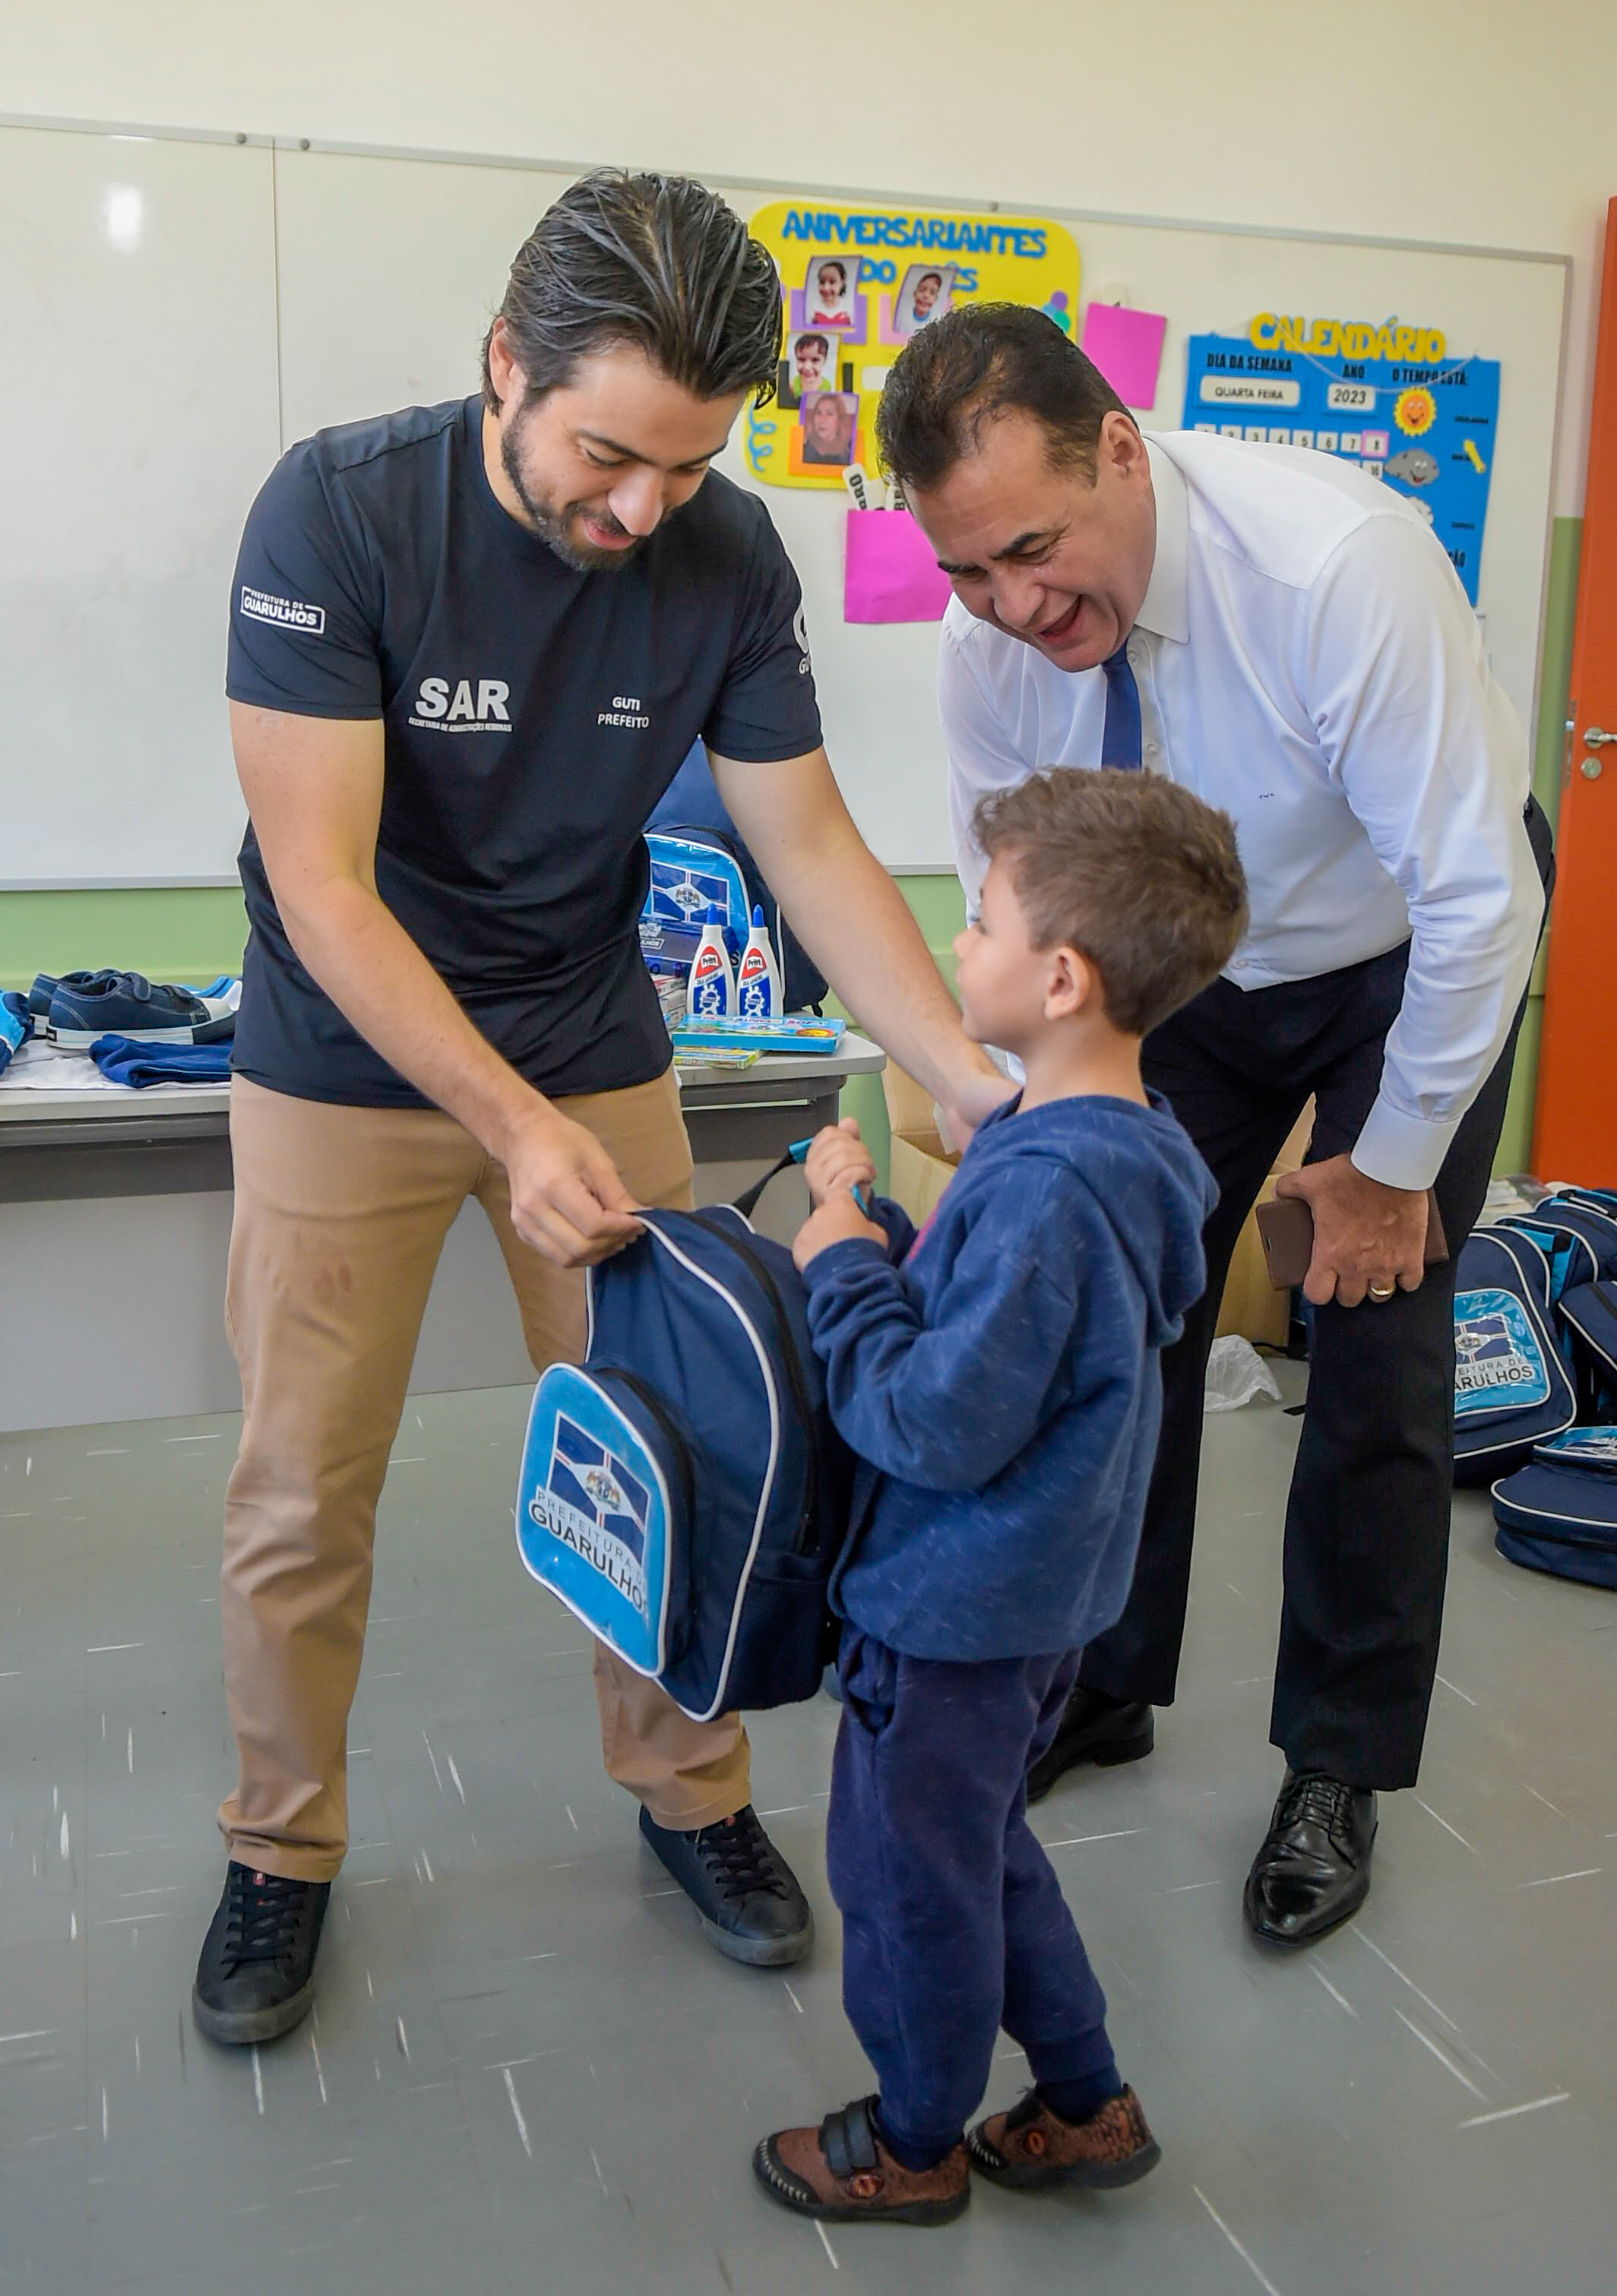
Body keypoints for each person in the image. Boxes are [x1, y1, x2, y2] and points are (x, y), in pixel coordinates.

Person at [191, 170, 1011, 2051]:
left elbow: (809, 843)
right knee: (302, 1489)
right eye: (608, 455)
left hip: (587, 1039)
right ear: (507, 363)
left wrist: (972, 1083)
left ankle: (692, 1795)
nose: (643, 510)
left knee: (683, 1440)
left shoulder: (725, 558)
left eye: (688, 464)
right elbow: (323, 888)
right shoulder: (340, 512)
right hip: (340, 1054)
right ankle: (280, 1845)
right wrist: (508, 1126)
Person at [877, 303, 1553, 1948]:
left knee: (1372, 1343)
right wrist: (1036, 1134)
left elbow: (1479, 901)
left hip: (1401, 950)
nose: (1013, 607)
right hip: (1180, 966)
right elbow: (1018, 904)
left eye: (1033, 550)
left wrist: (1386, 1171)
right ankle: (1100, 1679)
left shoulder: (1333, 570)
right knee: (1111, 1312)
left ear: (1119, 448)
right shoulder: (989, 654)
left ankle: (1335, 1761)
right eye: (966, 572)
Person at [752, 766, 1244, 2228]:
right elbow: (1005, 1339)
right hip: (1032, 1604)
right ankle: (1084, 2104)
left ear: (1060, 977)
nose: (952, 945)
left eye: (975, 922)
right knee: (978, 1846)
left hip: (950, 1610)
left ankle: (912, 2140)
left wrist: (839, 1266)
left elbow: (932, 1418)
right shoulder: (1117, 1146)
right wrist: (881, 1230)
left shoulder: (1043, 1189)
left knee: (907, 1883)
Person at [778, 329, 832, 407]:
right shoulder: (792, 384)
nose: (807, 367)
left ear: (825, 361)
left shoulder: (827, 386)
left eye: (815, 360)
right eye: (801, 360)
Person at [802, 391, 855, 466]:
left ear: (840, 419)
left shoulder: (849, 450)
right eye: (819, 413)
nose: (822, 419)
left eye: (830, 414)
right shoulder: (806, 445)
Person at [809, 257, 856, 327]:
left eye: (832, 282)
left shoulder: (849, 308)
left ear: (842, 283)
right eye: (822, 282)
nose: (826, 288)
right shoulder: (812, 307)